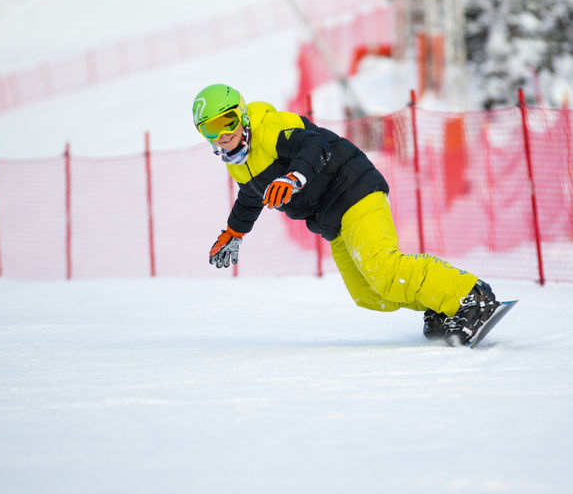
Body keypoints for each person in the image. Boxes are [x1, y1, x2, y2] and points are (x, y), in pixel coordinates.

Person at [192, 83, 499, 346]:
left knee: (384, 267)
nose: (222, 133)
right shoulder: (237, 161)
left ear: (242, 114)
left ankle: (470, 296)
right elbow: (250, 196)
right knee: (367, 293)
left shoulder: (270, 129)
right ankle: (441, 305)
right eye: (210, 128)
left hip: (353, 188)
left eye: (227, 121)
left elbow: (315, 145)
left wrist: (294, 177)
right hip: (331, 218)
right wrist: (235, 231)